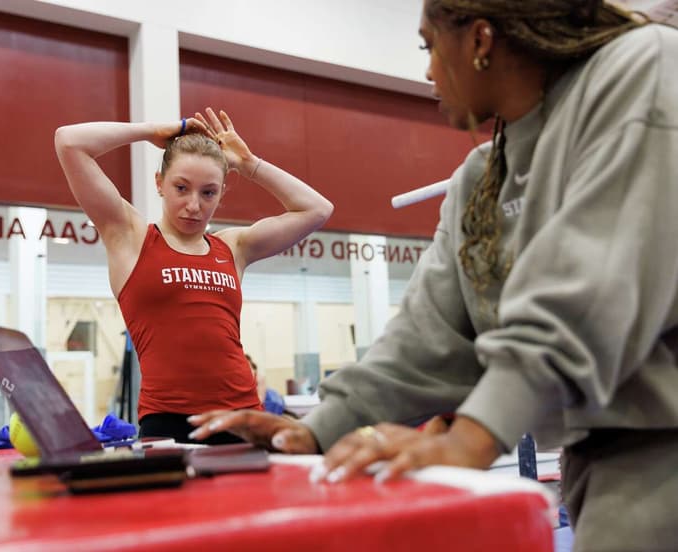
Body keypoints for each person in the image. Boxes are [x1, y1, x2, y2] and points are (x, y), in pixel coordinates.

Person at [190, 2, 678, 549]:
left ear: (481, 41)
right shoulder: (481, 175)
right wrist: (318, 427)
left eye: (429, 46)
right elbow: (428, 334)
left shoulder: (644, 66)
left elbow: (592, 286)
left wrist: (470, 438)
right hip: (598, 458)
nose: (426, 71)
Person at [55, 108, 333, 444]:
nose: (193, 205)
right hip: (168, 423)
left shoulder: (233, 247)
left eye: (208, 192)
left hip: (244, 416)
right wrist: (150, 130)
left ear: (221, 193)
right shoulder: (130, 237)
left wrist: (248, 164)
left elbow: (317, 210)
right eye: (181, 188)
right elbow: (69, 142)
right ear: (159, 184)